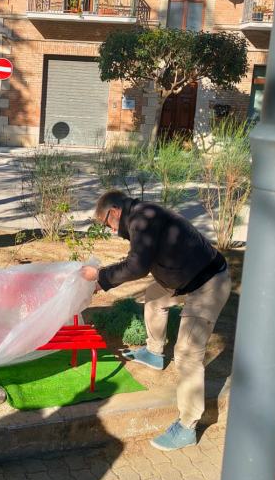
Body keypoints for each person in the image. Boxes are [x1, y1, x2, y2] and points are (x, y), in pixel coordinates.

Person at [82, 190, 231, 451]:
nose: (110, 229)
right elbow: (140, 259)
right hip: (185, 277)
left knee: (187, 353)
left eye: (107, 223)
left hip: (208, 283)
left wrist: (101, 279)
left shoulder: (142, 219)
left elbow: (137, 266)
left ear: (115, 211)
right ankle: (154, 352)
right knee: (153, 297)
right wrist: (102, 278)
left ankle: (188, 425)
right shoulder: (142, 215)